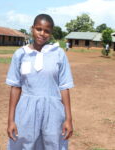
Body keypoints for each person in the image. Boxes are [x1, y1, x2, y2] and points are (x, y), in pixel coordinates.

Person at [6, 14, 74, 150]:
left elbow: (64, 87)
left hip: (53, 109)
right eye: (39, 29)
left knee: (53, 144)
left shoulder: (58, 54)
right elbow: (15, 87)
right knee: (24, 144)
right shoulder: (20, 54)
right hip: (26, 109)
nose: (42, 34)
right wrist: (11, 120)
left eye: (47, 31)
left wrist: (68, 119)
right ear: (32, 28)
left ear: (51, 33)